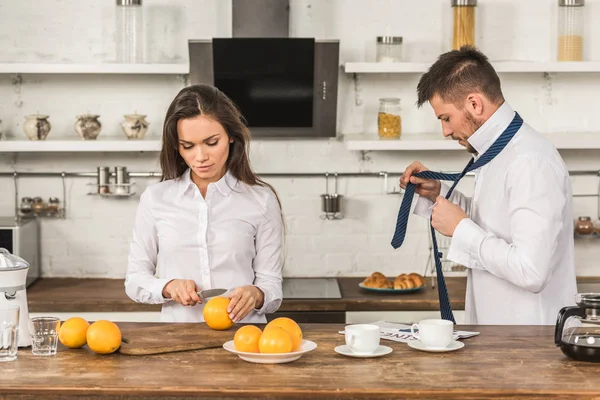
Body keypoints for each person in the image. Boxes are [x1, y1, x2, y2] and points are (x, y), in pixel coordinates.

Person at [399, 46, 577, 325]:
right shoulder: (499, 153)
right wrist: (439, 194)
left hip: (532, 345)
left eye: (446, 118)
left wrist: (460, 228)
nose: (445, 131)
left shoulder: (530, 161)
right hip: (500, 338)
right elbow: (497, 222)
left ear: (474, 104)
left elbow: (532, 271)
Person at [125, 84, 284, 323]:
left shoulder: (260, 199)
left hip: (244, 337)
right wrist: (168, 287)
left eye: (211, 143)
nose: (200, 157)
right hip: (177, 341)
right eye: (187, 146)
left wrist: (257, 294)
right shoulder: (156, 199)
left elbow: (271, 284)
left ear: (231, 136)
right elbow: (135, 280)